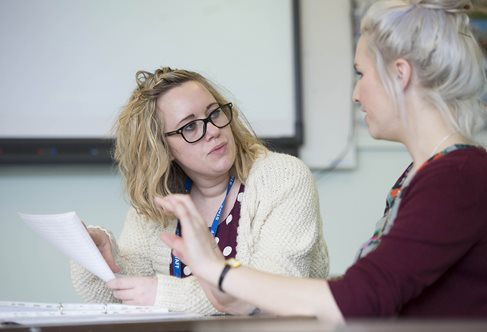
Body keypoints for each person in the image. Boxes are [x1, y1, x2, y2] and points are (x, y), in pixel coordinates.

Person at [157, 0, 487, 322]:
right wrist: (234, 292)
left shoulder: (457, 176)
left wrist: (219, 270)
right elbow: (369, 291)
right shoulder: (427, 174)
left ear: (400, 75)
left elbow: (362, 298)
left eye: (361, 74)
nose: (356, 94)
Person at [70, 67, 329, 315]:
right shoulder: (159, 201)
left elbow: (275, 288)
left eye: (214, 113)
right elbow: (131, 294)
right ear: (163, 148)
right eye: (190, 127)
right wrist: (99, 261)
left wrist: (165, 295)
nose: (214, 131)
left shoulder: (283, 176)